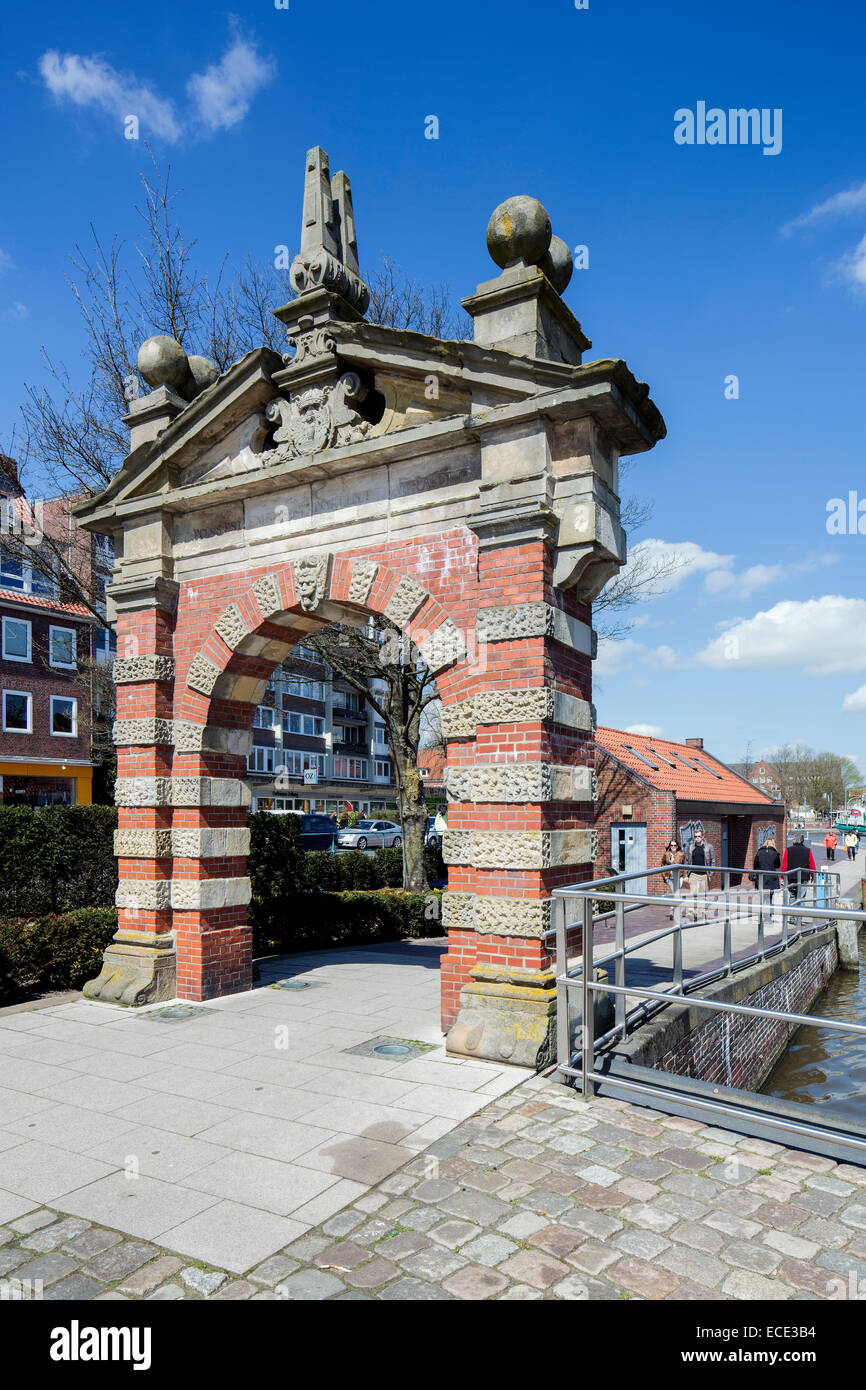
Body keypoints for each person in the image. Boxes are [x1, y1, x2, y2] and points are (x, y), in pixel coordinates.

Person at [780, 832, 815, 919]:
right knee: (801, 897)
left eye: (793, 839)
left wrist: (782, 877)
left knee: (792, 896)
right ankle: (799, 918)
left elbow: (785, 865)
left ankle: (792, 917)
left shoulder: (788, 850)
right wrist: (813, 876)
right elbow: (812, 865)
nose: (792, 840)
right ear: (802, 841)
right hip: (803, 877)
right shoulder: (808, 851)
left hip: (791, 877)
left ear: (795, 840)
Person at [683, 831, 716, 922]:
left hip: (705, 875)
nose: (697, 838)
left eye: (699, 836)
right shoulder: (690, 847)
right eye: (695, 836)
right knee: (693, 896)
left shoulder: (709, 847)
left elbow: (713, 860)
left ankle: (704, 915)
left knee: (704, 896)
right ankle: (693, 914)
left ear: (702, 837)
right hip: (693, 875)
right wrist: (685, 875)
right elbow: (686, 861)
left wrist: (711, 874)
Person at [751, 836, 781, 917]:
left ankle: (761, 915)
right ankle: (768, 917)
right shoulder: (775, 853)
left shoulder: (759, 852)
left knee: (762, 897)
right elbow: (778, 865)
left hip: (761, 878)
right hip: (771, 878)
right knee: (769, 897)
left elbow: (755, 864)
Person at [661, 839, 686, 919]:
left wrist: (685, 876)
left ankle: (672, 910)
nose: (673, 847)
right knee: (674, 893)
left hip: (679, 877)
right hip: (669, 877)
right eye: (671, 845)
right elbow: (662, 865)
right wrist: (664, 876)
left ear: (677, 846)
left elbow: (685, 865)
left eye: (675, 845)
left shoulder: (681, 855)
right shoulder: (666, 854)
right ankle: (676, 909)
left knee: (676, 893)